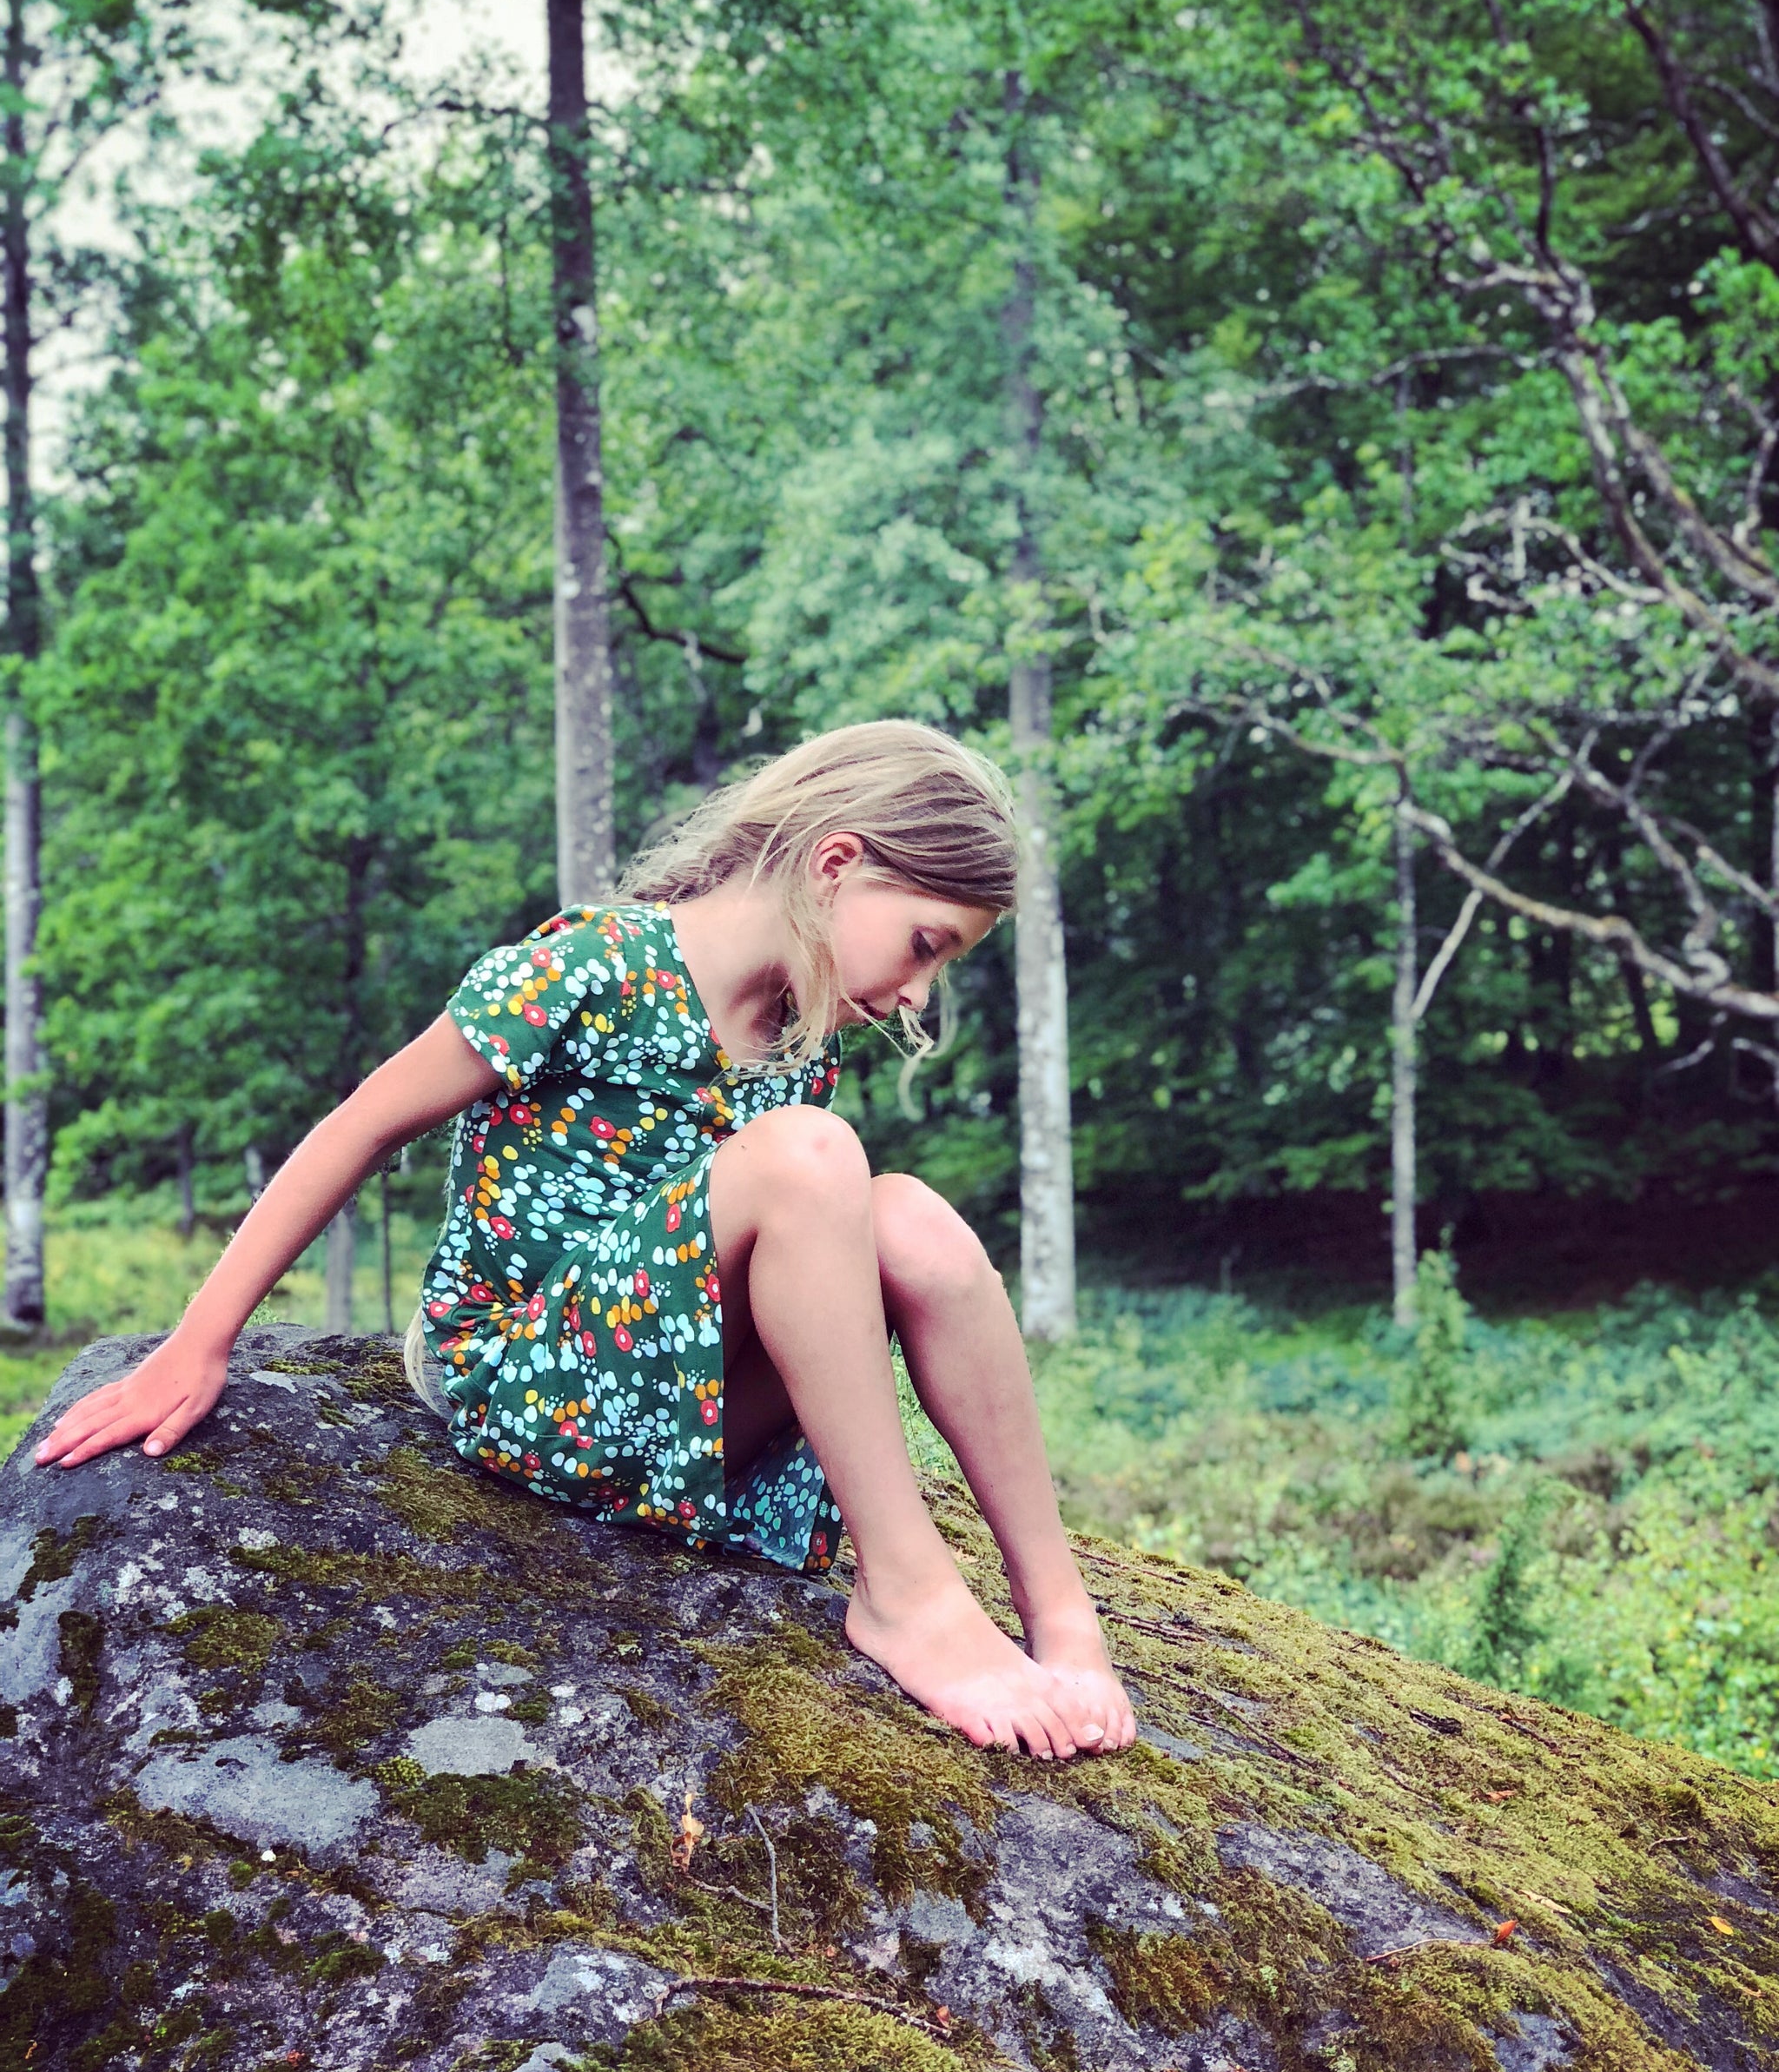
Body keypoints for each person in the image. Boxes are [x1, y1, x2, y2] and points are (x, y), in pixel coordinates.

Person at [35, 720, 1134, 1760]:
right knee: (812, 1155)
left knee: (914, 1222)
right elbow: (363, 1123)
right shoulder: (592, 965)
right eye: (923, 946)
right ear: (835, 864)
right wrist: (200, 1341)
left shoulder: (798, 1031)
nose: (914, 994)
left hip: (681, 1407)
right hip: (528, 1382)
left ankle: (1058, 1610)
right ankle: (907, 1592)